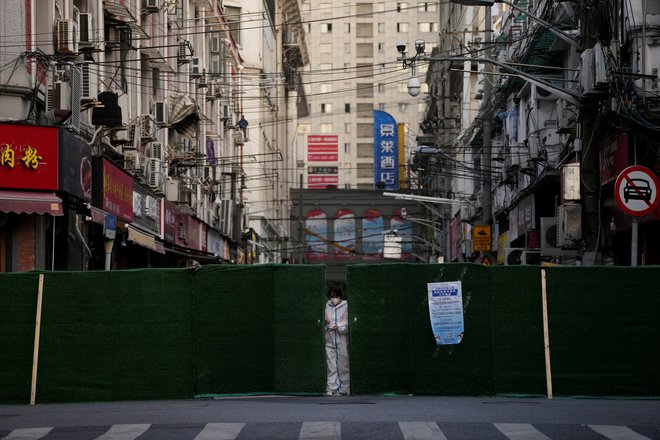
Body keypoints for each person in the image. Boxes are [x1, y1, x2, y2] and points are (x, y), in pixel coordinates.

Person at [324, 286, 349, 396]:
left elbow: (348, 323)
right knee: (331, 365)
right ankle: (331, 388)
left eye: (336, 296)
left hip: (341, 339)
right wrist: (326, 323)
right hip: (329, 339)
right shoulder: (326, 305)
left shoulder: (346, 305)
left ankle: (345, 388)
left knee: (343, 364)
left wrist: (338, 326)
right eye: (331, 296)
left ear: (340, 296)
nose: (333, 298)